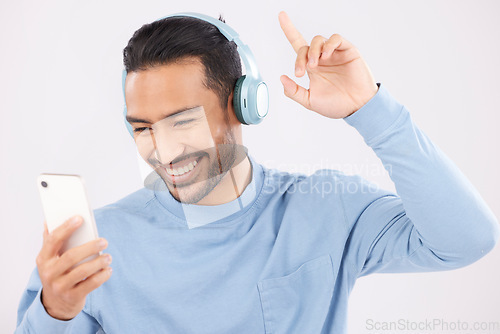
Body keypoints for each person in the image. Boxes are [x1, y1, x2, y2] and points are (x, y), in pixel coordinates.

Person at [15, 11, 499, 333]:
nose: (163, 151)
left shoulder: (326, 208)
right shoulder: (99, 245)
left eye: (183, 120)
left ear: (243, 105)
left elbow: (466, 239)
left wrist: (371, 110)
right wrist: (56, 312)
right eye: (143, 128)